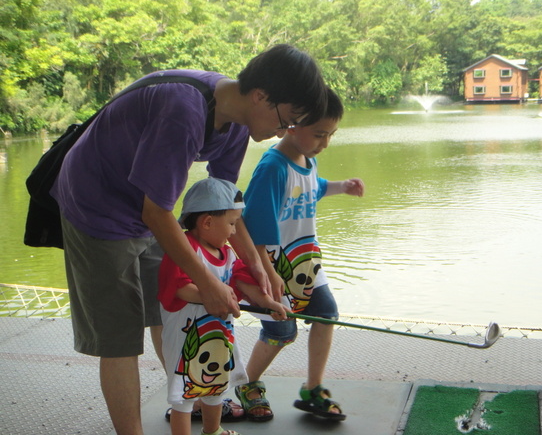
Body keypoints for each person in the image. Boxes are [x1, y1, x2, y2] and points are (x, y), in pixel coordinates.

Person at [51, 44, 328, 435]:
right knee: (119, 336)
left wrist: (261, 269)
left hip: (145, 206)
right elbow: (158, 212)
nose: (284, 133)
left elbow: (229, 205)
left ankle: (193, 396)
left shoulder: (235, 123)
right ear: (261, 97)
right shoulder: (184, 110)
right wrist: (210, 282)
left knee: (170, 307)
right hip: (96, 205)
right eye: (287, 120)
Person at [238, 89, 365, 422]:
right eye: (319, 134)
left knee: (326, 312)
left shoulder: (307, 158)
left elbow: (313, 186)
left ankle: (313, 388)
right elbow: (252, 227)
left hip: (305, 263)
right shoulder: (272, 167)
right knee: (282, 332)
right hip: (271, 265)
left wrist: (342, 186)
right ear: (291, 125)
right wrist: (268, 273)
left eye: (330, 135)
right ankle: (247, 384)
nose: (325, 142)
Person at [158, 177, 288, 435]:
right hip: (187, 342)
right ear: (207, 222)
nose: (233, 231)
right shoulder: (184, 250)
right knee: (183, 398)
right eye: (231, 223)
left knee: (216, 387)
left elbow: (243, 281)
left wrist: (268, 302)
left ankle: (212, 430)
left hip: (220, 338)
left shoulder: (226, 254)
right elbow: (181, 288)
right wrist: (214, 294)